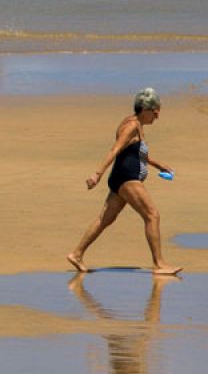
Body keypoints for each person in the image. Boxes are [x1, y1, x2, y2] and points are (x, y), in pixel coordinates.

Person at [66, 89, 182, 275]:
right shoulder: (131, 126)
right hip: (127, 179)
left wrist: (157, 164)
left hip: (121, 178)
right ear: (145, 109)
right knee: (152, 215)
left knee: (105, 219)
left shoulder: (136, 124)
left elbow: (136, 153)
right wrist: (97, 174)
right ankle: (159, 264)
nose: (157, 116)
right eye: (156, 111)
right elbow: (115, 150)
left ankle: (76, 254)